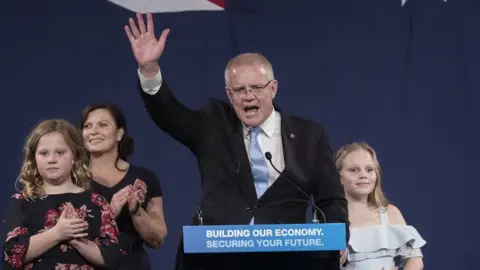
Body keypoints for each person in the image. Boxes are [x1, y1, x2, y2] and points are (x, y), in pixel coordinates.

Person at [124, 12, 349, 270]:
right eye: (240, 90)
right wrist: (149, 70)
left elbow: (331, 200)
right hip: (217, 260)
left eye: (256, 87)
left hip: (287, 260)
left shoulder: (310, 135)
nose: (248, 96)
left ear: (273, 88)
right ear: (229, 95)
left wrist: (339, 239)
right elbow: (170, 116)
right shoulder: (214, 124)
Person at [2, 119, 122, 269]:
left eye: (60, 153)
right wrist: (58, 233)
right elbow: (12, 255)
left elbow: (112, 259)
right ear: (34, 159)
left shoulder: (97, 202)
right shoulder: (22, 202)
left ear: (74, 157)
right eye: (44, 153)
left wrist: (76, 240)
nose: (52, 160)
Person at [80, 103, 168, 270]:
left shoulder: (143, 178)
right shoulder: (72, 179)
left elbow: (157, 239)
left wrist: (136, 212)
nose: (93, 131)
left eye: (103, 125)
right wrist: (109, 213)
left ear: (119, 133)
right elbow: (64, 236)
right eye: (87, 126)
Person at [335, 142, 425, 270]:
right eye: (353, 170)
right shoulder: (330, 218)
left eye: (369, 169)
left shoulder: (391, 213)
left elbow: (415, 260)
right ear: (339, 177)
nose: (363, 175)